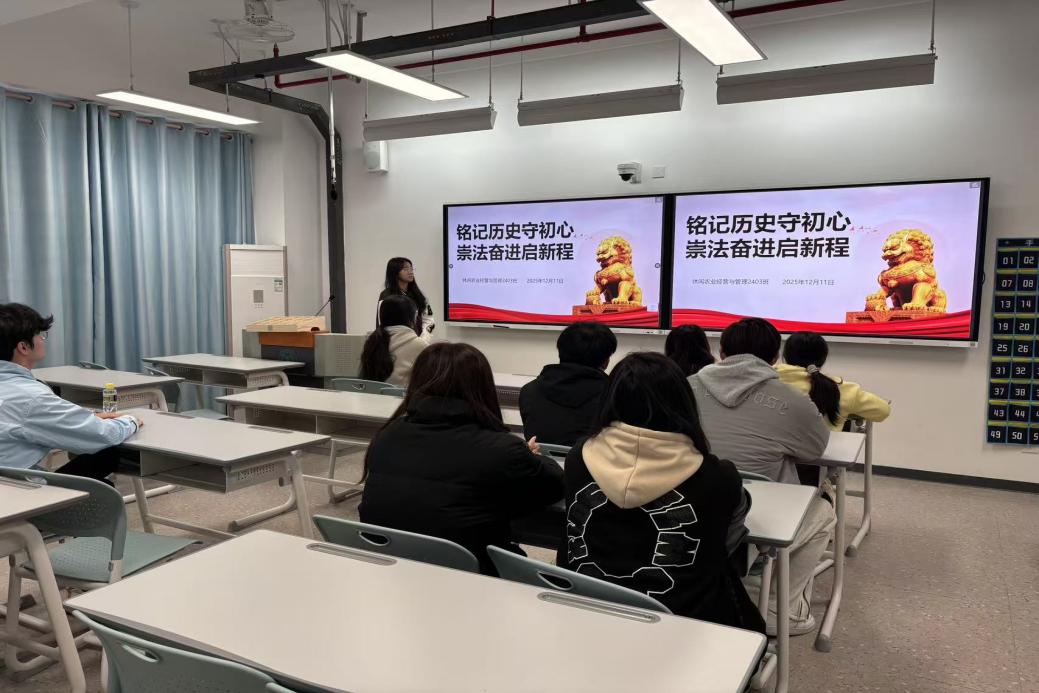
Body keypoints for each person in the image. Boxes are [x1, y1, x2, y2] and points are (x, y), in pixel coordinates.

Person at [557, 352, 765, 632]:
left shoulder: (578, 458)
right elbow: (725, 543)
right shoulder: (718, 477)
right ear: (683, 403)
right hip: (687, 627)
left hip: (586, 614)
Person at [358, 342, 564, 575]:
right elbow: (555, 484)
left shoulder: (388, 434)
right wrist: (529, 456)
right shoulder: (500, 448)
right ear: (483, 386)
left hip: (392, 568)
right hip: (472, 576)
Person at [689, 317, 833, 636]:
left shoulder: (684, 386)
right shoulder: (793, 399)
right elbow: (814, 450)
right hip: (755, 514)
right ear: (775, 357)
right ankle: (783, 611)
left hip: (689, 505)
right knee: (824, 511)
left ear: (722, 352)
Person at [0, 303, 142, 481]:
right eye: (40, 335)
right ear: (24, 347)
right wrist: (130, 420)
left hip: (9, 484)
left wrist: (88, 417)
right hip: (21, 491)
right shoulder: (32, 397)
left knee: (103, 457)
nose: (43, 340)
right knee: (106, 458)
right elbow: (103, 434)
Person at [519, 323, 617, 446]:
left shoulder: (529, 390)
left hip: (538, 457)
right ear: (605, 362)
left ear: (560, 352)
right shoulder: (614, 396)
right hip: (591, 458)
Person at [777, 331, 892, 432]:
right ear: (823, 359)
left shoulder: (769, 379)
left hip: (772, 449)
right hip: (824, 450)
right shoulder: (842, 389)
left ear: (784, 356)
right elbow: (883, 411)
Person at [359, 295, 429, 387]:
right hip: (403, 396)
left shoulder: (371, 341)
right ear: (411, 319)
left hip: (369, 395)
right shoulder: (421, 345)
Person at [378, 257, 434, 336]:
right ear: (395, 272)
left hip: (419, 340)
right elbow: (382, 324)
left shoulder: (418, 295)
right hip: (397, 340)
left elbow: (429, 320)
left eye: (411, 269)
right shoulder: (386, 295)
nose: (410, 272)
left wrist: (424, 339)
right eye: (405, 269)